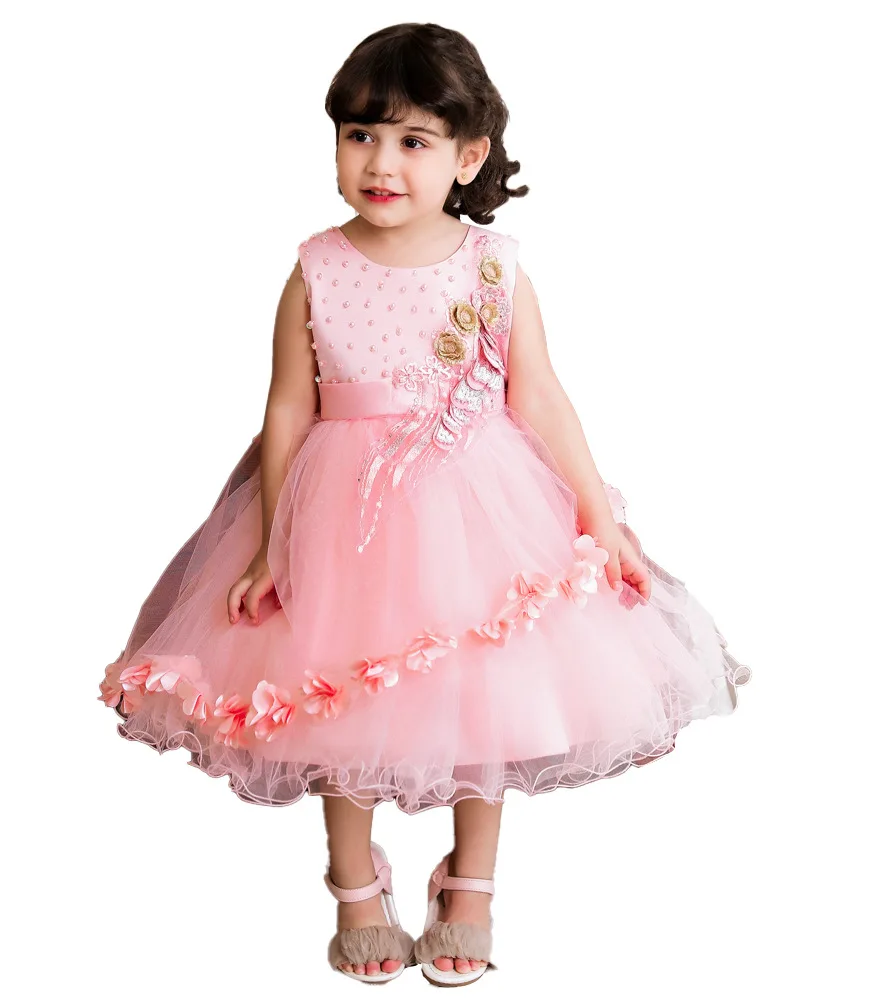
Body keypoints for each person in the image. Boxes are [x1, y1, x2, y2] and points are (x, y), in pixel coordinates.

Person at [98, 21, 751, 987]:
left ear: (468, 156)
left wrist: (597, 518)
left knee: (489, 694)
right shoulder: (317, 266)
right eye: (359, 135)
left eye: (413, 140)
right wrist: (273, 543)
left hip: (479, 513)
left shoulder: (494, 266)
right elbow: (287, 409)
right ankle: (355, 883)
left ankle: (471, 882)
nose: (380, 163)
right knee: (333, 685)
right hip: (341, 516)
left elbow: (539, 394)